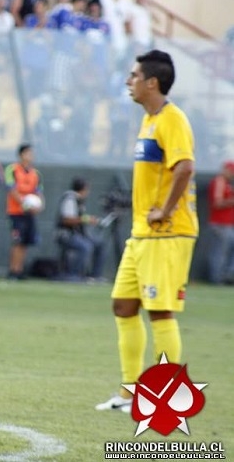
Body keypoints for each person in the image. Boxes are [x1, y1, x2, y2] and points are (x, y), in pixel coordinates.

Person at [96, 50, 197, 412]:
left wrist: (165, 210)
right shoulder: (149, 120)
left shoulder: (172, 119)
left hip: (168, 232)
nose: (129, 81)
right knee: (123, 305)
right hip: (142, 234)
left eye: (134, 75)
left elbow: (185, 167)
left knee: (160, 312)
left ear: (151, 82)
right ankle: (129, 393)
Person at [55, 177, 106, 281]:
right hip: (66, 235)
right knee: (85, 246)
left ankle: (95, 275)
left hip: (78, 234)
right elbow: (67, 219)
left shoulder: (79, 201)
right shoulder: (70, 199)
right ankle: (74, 274)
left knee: (99, 244)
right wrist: (86, 219)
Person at [5, 143, 43, 280]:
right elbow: (12, 189)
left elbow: (38, 192)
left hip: (29, 213)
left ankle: (19, 270)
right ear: (21, 155)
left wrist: (39, 206)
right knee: (17, 241)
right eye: (28, 153)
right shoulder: (12, 169)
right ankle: (12, 270)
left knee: (25, 242)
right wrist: (25, 203)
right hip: (16, 212)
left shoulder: (35, 174)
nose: (31, 156)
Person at [206, 160, 234, 285]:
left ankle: (225, 275)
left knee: (225, 251)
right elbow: (218, 203)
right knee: (220, 252)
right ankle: (217, 278)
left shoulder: (227, 183)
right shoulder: (220, 181)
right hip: (220, 223)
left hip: (226, 224)